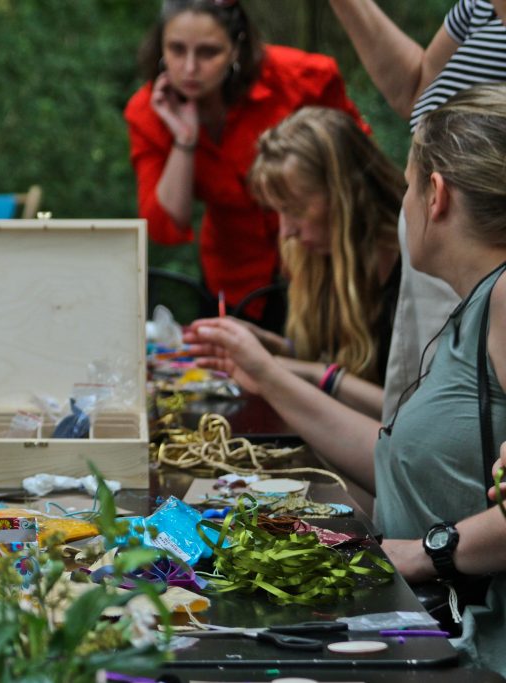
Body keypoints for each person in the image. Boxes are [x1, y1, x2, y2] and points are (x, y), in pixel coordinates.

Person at [186, 84, 506, 674]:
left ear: (435, 196)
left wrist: (428, 552)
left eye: (409, 185)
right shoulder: (478, 306)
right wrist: (265, 373)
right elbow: (388, 454)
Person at [124, 0, 367, 330]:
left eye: (209, 52)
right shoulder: (149, 111)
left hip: (317, 258)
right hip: (232, 270)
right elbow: (165, 223)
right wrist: (184, 139)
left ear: (237, 48)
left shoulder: (301, 79)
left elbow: (361, 169)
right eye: (177, 50)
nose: (190, 68)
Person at [327, 0, 506, 420]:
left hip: (482, 255)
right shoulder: (480, 6)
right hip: (442, 258)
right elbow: (417, 90)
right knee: (413, 430)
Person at [243, 106, 403, 416]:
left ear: (346, 195)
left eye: (297, 209)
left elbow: (413, 417)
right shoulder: (315, 257)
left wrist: (315, 375)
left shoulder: (416, 267)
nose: (287, 231)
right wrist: (268, 346)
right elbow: (324, 356)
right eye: (278, 211)